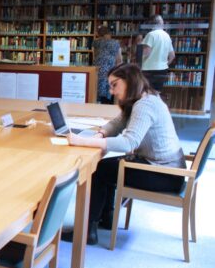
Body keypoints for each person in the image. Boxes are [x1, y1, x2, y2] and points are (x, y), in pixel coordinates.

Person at [62, 63, 185, 245]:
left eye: (114, 85)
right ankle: (106, 218)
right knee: (108, 167)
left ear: (129, 81)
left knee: (100, 169)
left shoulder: (145, 105)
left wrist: (84, 141)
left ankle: (87, 231)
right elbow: (118, 123)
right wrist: (101, 133)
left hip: (165, 174)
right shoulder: (142, 99)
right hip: (165, 168)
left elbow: (128, 142)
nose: (111, 91)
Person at [141, 15, 175, 91]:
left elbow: (146, 53)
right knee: (156, 93)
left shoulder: (151, 35)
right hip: (162, 70)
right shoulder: (167, 36)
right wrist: (164, 64)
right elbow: (172, 56)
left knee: (146, 93)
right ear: (160, 23)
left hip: (148, 69)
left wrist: (138, 61)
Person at [92, 25, 122, 104]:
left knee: (97, 89)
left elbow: (95, 55)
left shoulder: (96, 42)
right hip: (110, 69)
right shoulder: (115, 43)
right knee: (109, 87)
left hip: (98, 69)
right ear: (109, 33)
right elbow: (119, 59)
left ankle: (98, 103)